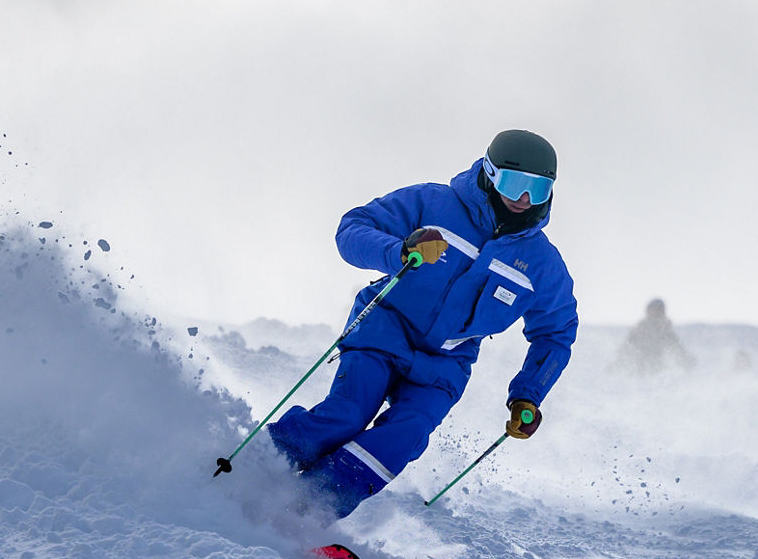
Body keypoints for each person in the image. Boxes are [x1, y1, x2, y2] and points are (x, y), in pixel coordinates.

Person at [267, 130, 580, 518]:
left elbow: (556, 333)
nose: (524, 200)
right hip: (383, 332)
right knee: (348, 414)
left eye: (539, 188)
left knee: (406, 436)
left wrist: (528, 394)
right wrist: (398, 251)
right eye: (516, 184)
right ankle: (258, 467)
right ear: (490, 172)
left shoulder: (541, 263)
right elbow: (352, 227)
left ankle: (310, 509)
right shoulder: (433, 203)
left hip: (443, 365)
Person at [609, 298, 697, 376]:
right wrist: (617, 363)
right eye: (653, 310)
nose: (655, 313)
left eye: (658, 310)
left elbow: (676, 347)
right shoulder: (641, 328)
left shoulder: (664, 329)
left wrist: (686, 361)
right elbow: (627, 348)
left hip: (656, 367)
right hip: (640, 367)